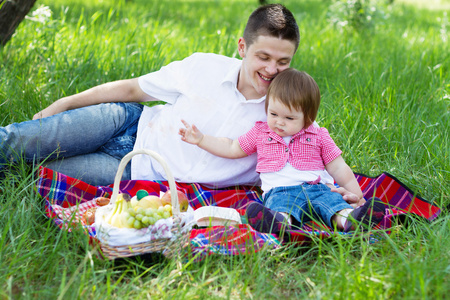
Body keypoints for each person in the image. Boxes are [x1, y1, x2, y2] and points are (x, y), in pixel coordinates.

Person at [0, 4, 360, 205]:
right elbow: (131, 90)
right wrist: (65, 102)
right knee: (15, 142)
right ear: (242, 47)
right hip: (125, 123)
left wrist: (340, 189)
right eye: (263, 57)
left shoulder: (286, 114)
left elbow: (307, 163)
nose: (271, 69)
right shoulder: (204, 65)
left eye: (283, 62)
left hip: (136, 171)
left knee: (32, 172)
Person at [179, 69, 386, 234]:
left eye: (289, 118)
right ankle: (277, 223)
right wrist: (201, 139)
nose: (279, 122)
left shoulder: (318, 135)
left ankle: (351, 219)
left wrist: (356, 194)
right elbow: (232, 147)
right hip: (280, 191)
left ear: (308, 118)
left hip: (318, 188)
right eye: (274, 113)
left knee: (333, 205)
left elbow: (339, 167)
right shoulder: (261, 132)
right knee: (281, 208)